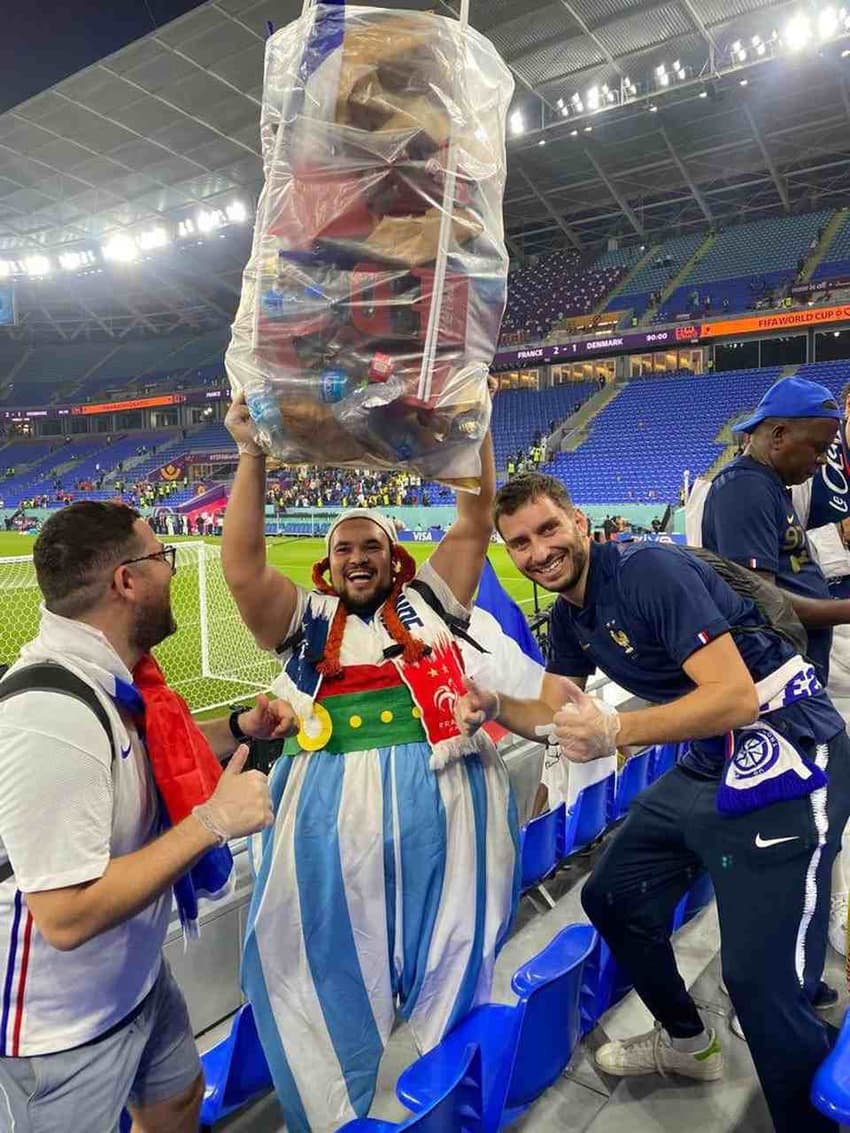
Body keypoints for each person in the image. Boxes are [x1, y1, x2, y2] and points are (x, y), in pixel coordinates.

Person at [456, 472, 850, 1133]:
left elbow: (736, 696)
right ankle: (687, 1041)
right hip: (712, 754)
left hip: (789, 743)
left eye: (548, 529)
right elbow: (555, 712)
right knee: (610, 893)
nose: (538, 550)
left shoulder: (647, 570)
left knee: (759, 983)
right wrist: (497, 705)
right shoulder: (570, 616)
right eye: (519, 543)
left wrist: (618, 729)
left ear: (580, 523)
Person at [221, 395, 518, 1132]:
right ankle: (328, 1114)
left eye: (372, 548)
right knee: (308, 961)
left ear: (395, 558)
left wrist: (475, 426)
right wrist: (252, 452)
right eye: (346, 549)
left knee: (455, 952)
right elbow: (243, 568)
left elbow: (475, 519)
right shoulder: (305, 622)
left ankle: (446, 1102)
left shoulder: (433, 601)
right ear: (329, 565)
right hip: (324, 818)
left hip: (445, 807)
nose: (359, 558)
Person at [0, 501, 287, 1133]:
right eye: (162, 558)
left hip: (135, 976)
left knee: (179, 1099)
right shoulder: (50, 716)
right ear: (126, 581)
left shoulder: (106, 676)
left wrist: (239, 727)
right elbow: (67, 917)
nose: (173, 572)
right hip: (64, 1024)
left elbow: (144, 752)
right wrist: (210, 822)